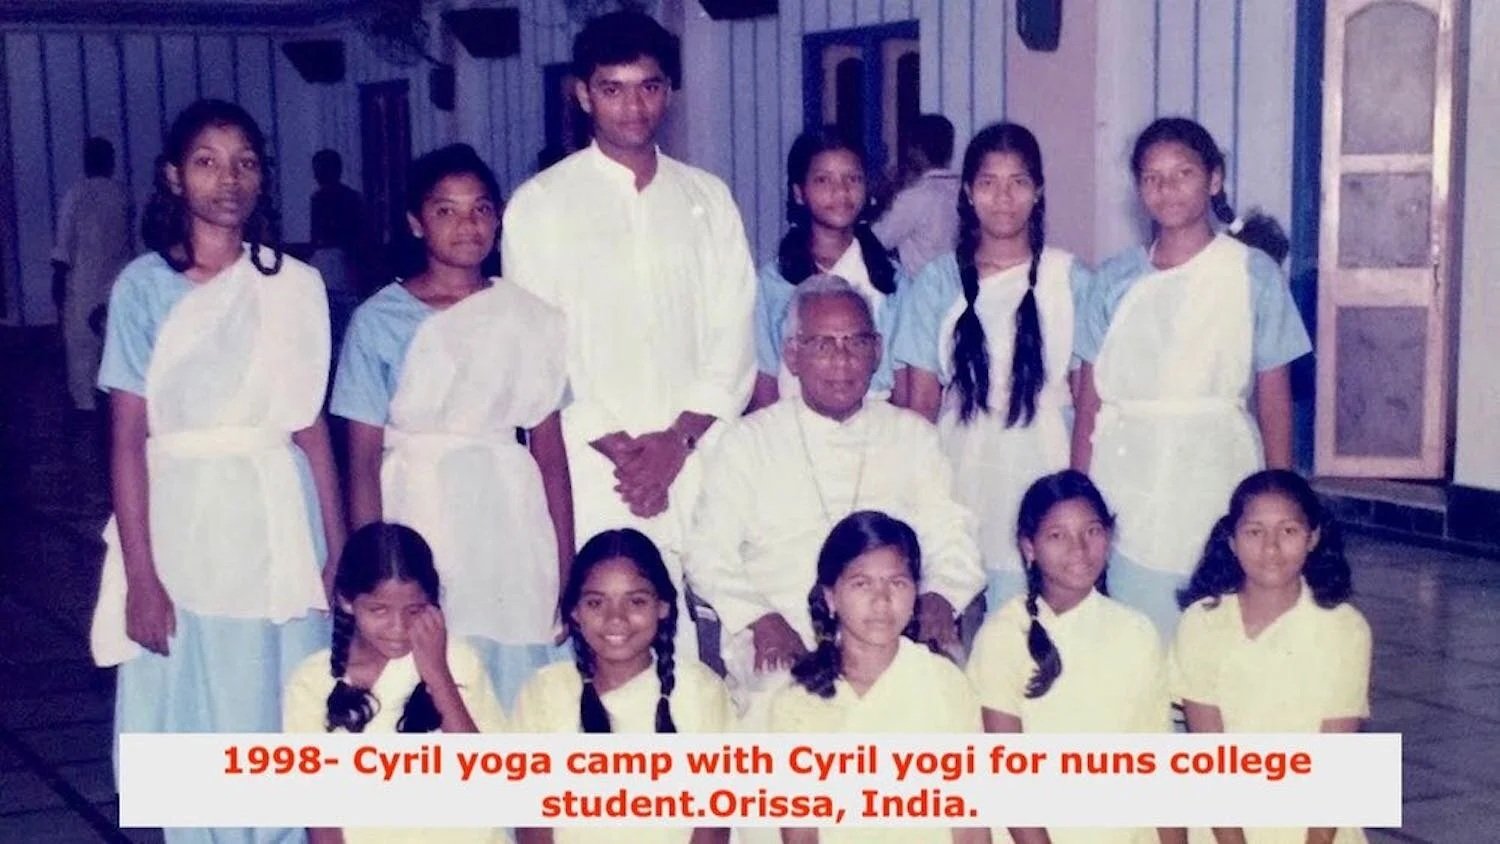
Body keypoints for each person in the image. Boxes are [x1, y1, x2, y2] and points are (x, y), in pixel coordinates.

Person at [90, 99, 343, 844]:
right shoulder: (144, 286)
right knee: (204, 701)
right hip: (187, 520)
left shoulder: (294, 285)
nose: (227, 180)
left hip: (279, 520)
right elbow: (128, 438)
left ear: (264, 176)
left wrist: (335, 550)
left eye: (245, 162)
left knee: (282, 700)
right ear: (174, 177)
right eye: (206, 162)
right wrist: (141, 573)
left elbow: (311, 429)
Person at [501, 10, 757, 656]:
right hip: (593, 470)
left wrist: (677, 442)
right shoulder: (542, 204)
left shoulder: (707, 199)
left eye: (647, 86)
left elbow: (734, 329)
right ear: (582, 93)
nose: (633, 106)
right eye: (612, 89)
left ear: (667, 90)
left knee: (708, 645)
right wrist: (621, 448)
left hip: (698, 456)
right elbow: (538, 352)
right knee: (602, 643)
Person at [332, 143, 574, 709]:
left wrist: (564, 570)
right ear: (417, 222)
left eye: (481, 209)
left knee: (513, 676)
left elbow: (551, 458)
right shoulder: (379, 319)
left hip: (509, 522)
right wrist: (372, 565)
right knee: (420, 665)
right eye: (446, 210)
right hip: (416, 507)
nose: (467, 225)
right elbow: (362, 460)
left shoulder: (529, 318)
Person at [685, 276, 983, 728]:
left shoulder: (912, 436)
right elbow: (708, 554)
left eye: (855, 342)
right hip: (784, 630)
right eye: (823, 344)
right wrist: (760, 617)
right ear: (792, 357)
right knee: (781, 704)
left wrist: (941, 595)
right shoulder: (749, 441)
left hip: (889, 629)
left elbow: (952, 535)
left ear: (877, 350)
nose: (842, 360)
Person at [1071, 117, 1312, 639]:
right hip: (1126, 471)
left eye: (1182, 173)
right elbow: (1088, 399)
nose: (1167, 188)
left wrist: (1283, 495)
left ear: (1214, 179)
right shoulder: (1112, 279)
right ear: (1138, 189)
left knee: (1214, 629)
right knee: (1133, 629)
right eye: (1152, 177)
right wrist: (1079, 497)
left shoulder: (1252, 274)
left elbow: (1274, 396)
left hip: (1216, 469)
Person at [893, 123, 1092, 612]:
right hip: (961, 467)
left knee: (1036, 621)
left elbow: (1089, 399)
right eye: (988, 183)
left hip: (1045, 465)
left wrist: (1080, 492)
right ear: (967, 192)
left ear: (1038, 190)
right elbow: (919, 405)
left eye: (1018, 182)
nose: (1003, 198)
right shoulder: (937, 282)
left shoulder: (1071, 279)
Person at [967, 471, 1174, 844]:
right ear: (1029, 548)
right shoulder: (1003, 634)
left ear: (1108, 537)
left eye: (1091, 531)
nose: (1079, 549)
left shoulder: (1137, 631)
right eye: (1057, 536)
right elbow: (1007, 779)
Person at [1172, 470, 1370, 844]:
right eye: (1254, 532)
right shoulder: (1201, 623)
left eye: (1288, 531)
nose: (1271, 548)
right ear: (1231, 540)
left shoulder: (1345, 628)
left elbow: (1335, 766)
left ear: (1313, 537)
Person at [769, 511, 987, 844]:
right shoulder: (798, 702)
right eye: (862, 583)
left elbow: (971, 828)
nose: (882, 600)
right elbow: (800, 835)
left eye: (897, 583)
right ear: (830, 597)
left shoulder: (944, 683)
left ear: (915, 594)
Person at [283, 522, 508, 843]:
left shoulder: (458, 661)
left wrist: (437, 674)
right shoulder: (312, 681)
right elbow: (319, 816)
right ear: (348, 601)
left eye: (414, 610)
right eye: (379, 610)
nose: (398, 627)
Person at [512, 528, 732, 844]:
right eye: (596, 603)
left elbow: (711, 829)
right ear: (575, 611)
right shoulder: (544, 693)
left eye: (636, 601)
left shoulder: (701, 691)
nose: (616, 618)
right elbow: (532, 828)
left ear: (663, 606)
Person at [750, 126, 907, 411]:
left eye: (852, 179)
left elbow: (902, 384)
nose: (841, 191)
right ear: (799, 192)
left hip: (874, 428)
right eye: (823, 180)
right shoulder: (775, 281)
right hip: (794, 428)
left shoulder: (890, 279)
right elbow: (765, 382)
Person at [52, 136, 134, 414]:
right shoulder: (122, 194)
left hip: (81, 285)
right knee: (111, 350)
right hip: (116, 284)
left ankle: (85, 412)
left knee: (80, 354)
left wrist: (58, 289)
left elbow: (63, 246)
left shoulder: (76, 194)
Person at [872, 114, 960, 277]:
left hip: (923, 292)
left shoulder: (915, 196)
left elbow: (877, 241)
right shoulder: (962, 190)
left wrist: (887, 196)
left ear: (915, 150)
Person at [309, 149, 367, 354]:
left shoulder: (321, 199)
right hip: (341, 262)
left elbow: (317, 235)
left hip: (334, 261)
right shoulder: (351, 197)